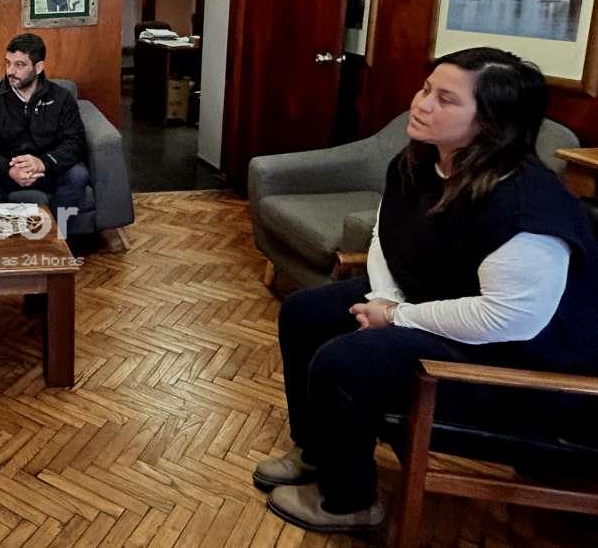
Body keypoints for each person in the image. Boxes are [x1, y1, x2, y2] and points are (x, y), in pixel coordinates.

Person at [256, 47, 598, 532]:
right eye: (426, 89)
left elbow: (509, 319)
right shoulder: (419, 162)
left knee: (344, 361)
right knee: (305, 313)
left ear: (492, 122)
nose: (421, 104)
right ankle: (319, 450)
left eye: (446, 99)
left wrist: (396, 317)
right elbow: (387, 234)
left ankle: (348, 502)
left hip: (523, 366)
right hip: (442, 308)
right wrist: (387, 297)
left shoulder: (527, 206)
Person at [0, 33, 89, 219]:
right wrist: (8, 169)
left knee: (78, 174)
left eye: (19, 65)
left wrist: (44, 163)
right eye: (8, 63)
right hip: (6, 170)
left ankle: (56, 233)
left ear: (38, 67)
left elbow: (75, 142)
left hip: (47, 169)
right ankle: (7, 231)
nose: (10, 71)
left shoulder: (61, 98)